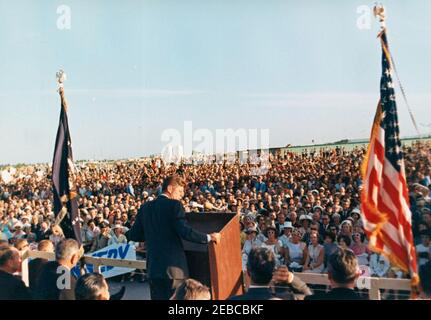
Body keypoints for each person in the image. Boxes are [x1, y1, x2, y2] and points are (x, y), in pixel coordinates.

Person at [127, 175, 221, 300]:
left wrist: (152, 235)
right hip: (174, 270)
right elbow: (185, 231)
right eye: (180, 191)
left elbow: (134, 234)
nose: (182, 195)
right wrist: (209, 237)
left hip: (154, 269)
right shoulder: (174, 205)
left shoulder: (145, 207)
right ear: (170, 188)